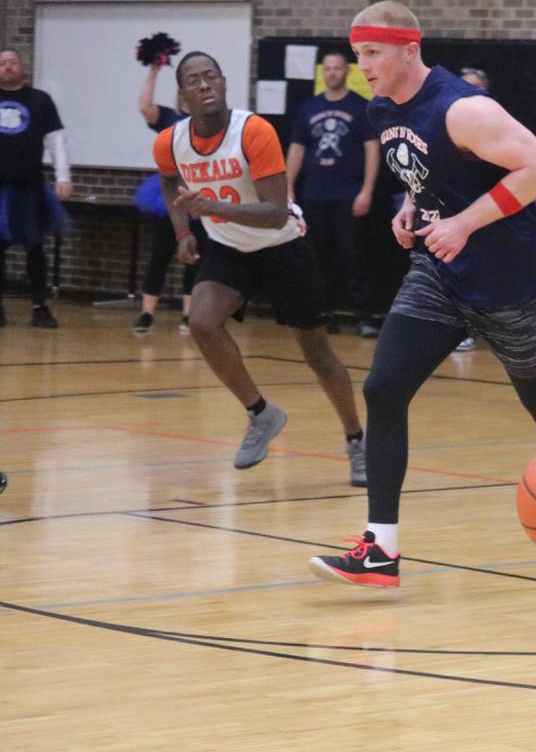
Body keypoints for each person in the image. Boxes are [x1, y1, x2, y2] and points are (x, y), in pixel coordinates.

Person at [309, 1, 536, 587]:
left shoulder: (465, 109)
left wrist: (464, 223)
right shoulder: (381, 107)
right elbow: (425, 173)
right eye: (358, 55)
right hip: (439, 273)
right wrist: (410, 208)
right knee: (383, 388)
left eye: (372, 53)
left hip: (510, 281)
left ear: (409, 48)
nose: (363, 66)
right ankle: (381, 547)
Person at [153, 51, 365, 484]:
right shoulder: (170, 141)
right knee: (202, 322)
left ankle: (357, 441)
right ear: (182, 96)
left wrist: (211, 206)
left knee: (318, 353)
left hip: (283, 245)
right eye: (194, 79)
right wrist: (183, 232)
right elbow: (169, 178)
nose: (205, 84)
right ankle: (261, 414)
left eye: (212, 75)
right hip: (230, 247)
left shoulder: (253, 131)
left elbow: (274, 213)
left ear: (225, 82)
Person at [286, 50, 379, 335]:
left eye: (338, 68)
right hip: (315, 195)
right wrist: (288, 188)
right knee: (317, 258)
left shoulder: (360, 107)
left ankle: (363, 316)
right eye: (328, 69)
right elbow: (297, 150)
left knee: (354, 257)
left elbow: (372, 150)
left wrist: (366, 190)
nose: (333, 73)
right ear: (322, 72)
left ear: (347, 72)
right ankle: (323, 315)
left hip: (349, 195)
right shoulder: (308, 109)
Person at [0, 48, 70, 329]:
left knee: (34, 247)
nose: (7, 67)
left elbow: (56, 141)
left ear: (22, 67)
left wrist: (63, 176)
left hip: (29, 185)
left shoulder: (40, 101)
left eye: (12, 62)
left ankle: (40, 306)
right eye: (2, 63)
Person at [135, 58, 196, 334]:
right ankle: (147, 314)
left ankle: (189, 315)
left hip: (197, 194)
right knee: (160, 254)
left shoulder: (207, 122)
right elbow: (145, 107)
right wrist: (154, 71)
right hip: (169, 195)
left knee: (196, 255)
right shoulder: (170, 118)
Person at [451, 64, 489, 354]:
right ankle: (459, 330)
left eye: (477, 87)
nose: (471, 93)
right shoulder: (444, 124)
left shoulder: (498, 126)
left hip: (487, 216)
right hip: (450, 218)